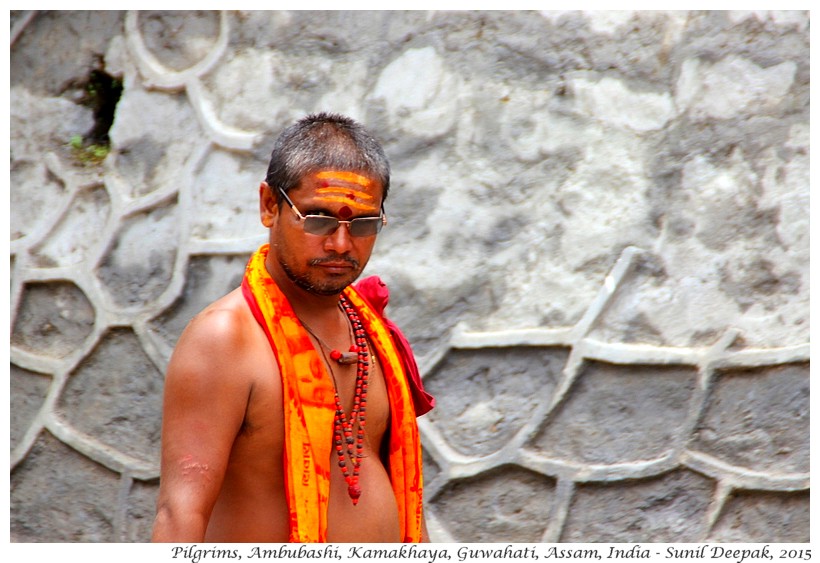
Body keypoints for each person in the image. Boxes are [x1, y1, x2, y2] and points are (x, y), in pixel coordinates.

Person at [151, 113, 433, 543]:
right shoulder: (226, 339)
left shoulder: (371, 332)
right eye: (318, 219)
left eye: (362, 224)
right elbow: (179, 513)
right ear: (270, 205)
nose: (340, 243)